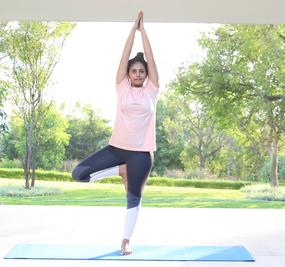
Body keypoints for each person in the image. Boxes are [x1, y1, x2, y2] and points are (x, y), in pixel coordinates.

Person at [72, 11, 159, 255]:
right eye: (135, 71)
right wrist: (134, 31)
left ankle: (125, 240)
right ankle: (120, 171)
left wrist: (145, 33)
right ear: (128, 74)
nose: (139, 74)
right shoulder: (121, 87)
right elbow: (124, 56)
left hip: (141, 154)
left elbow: (151, 58)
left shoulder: (153, 89)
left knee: (133, 198)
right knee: (79, 174)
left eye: (142, 71)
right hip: (117, 148)